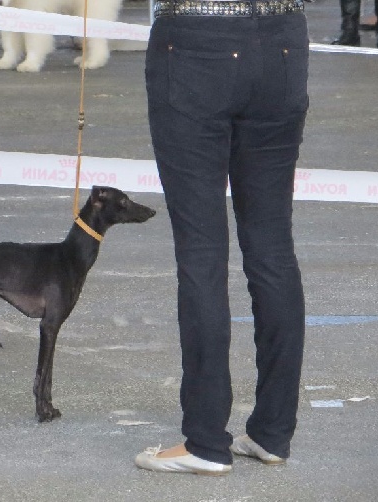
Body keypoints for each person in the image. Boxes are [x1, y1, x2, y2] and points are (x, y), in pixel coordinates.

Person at [135, 0, 308, 475]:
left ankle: (206, 441)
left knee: (201, 252)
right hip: (282, 39)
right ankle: (272, 433)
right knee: (273, 248)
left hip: (193, 40)